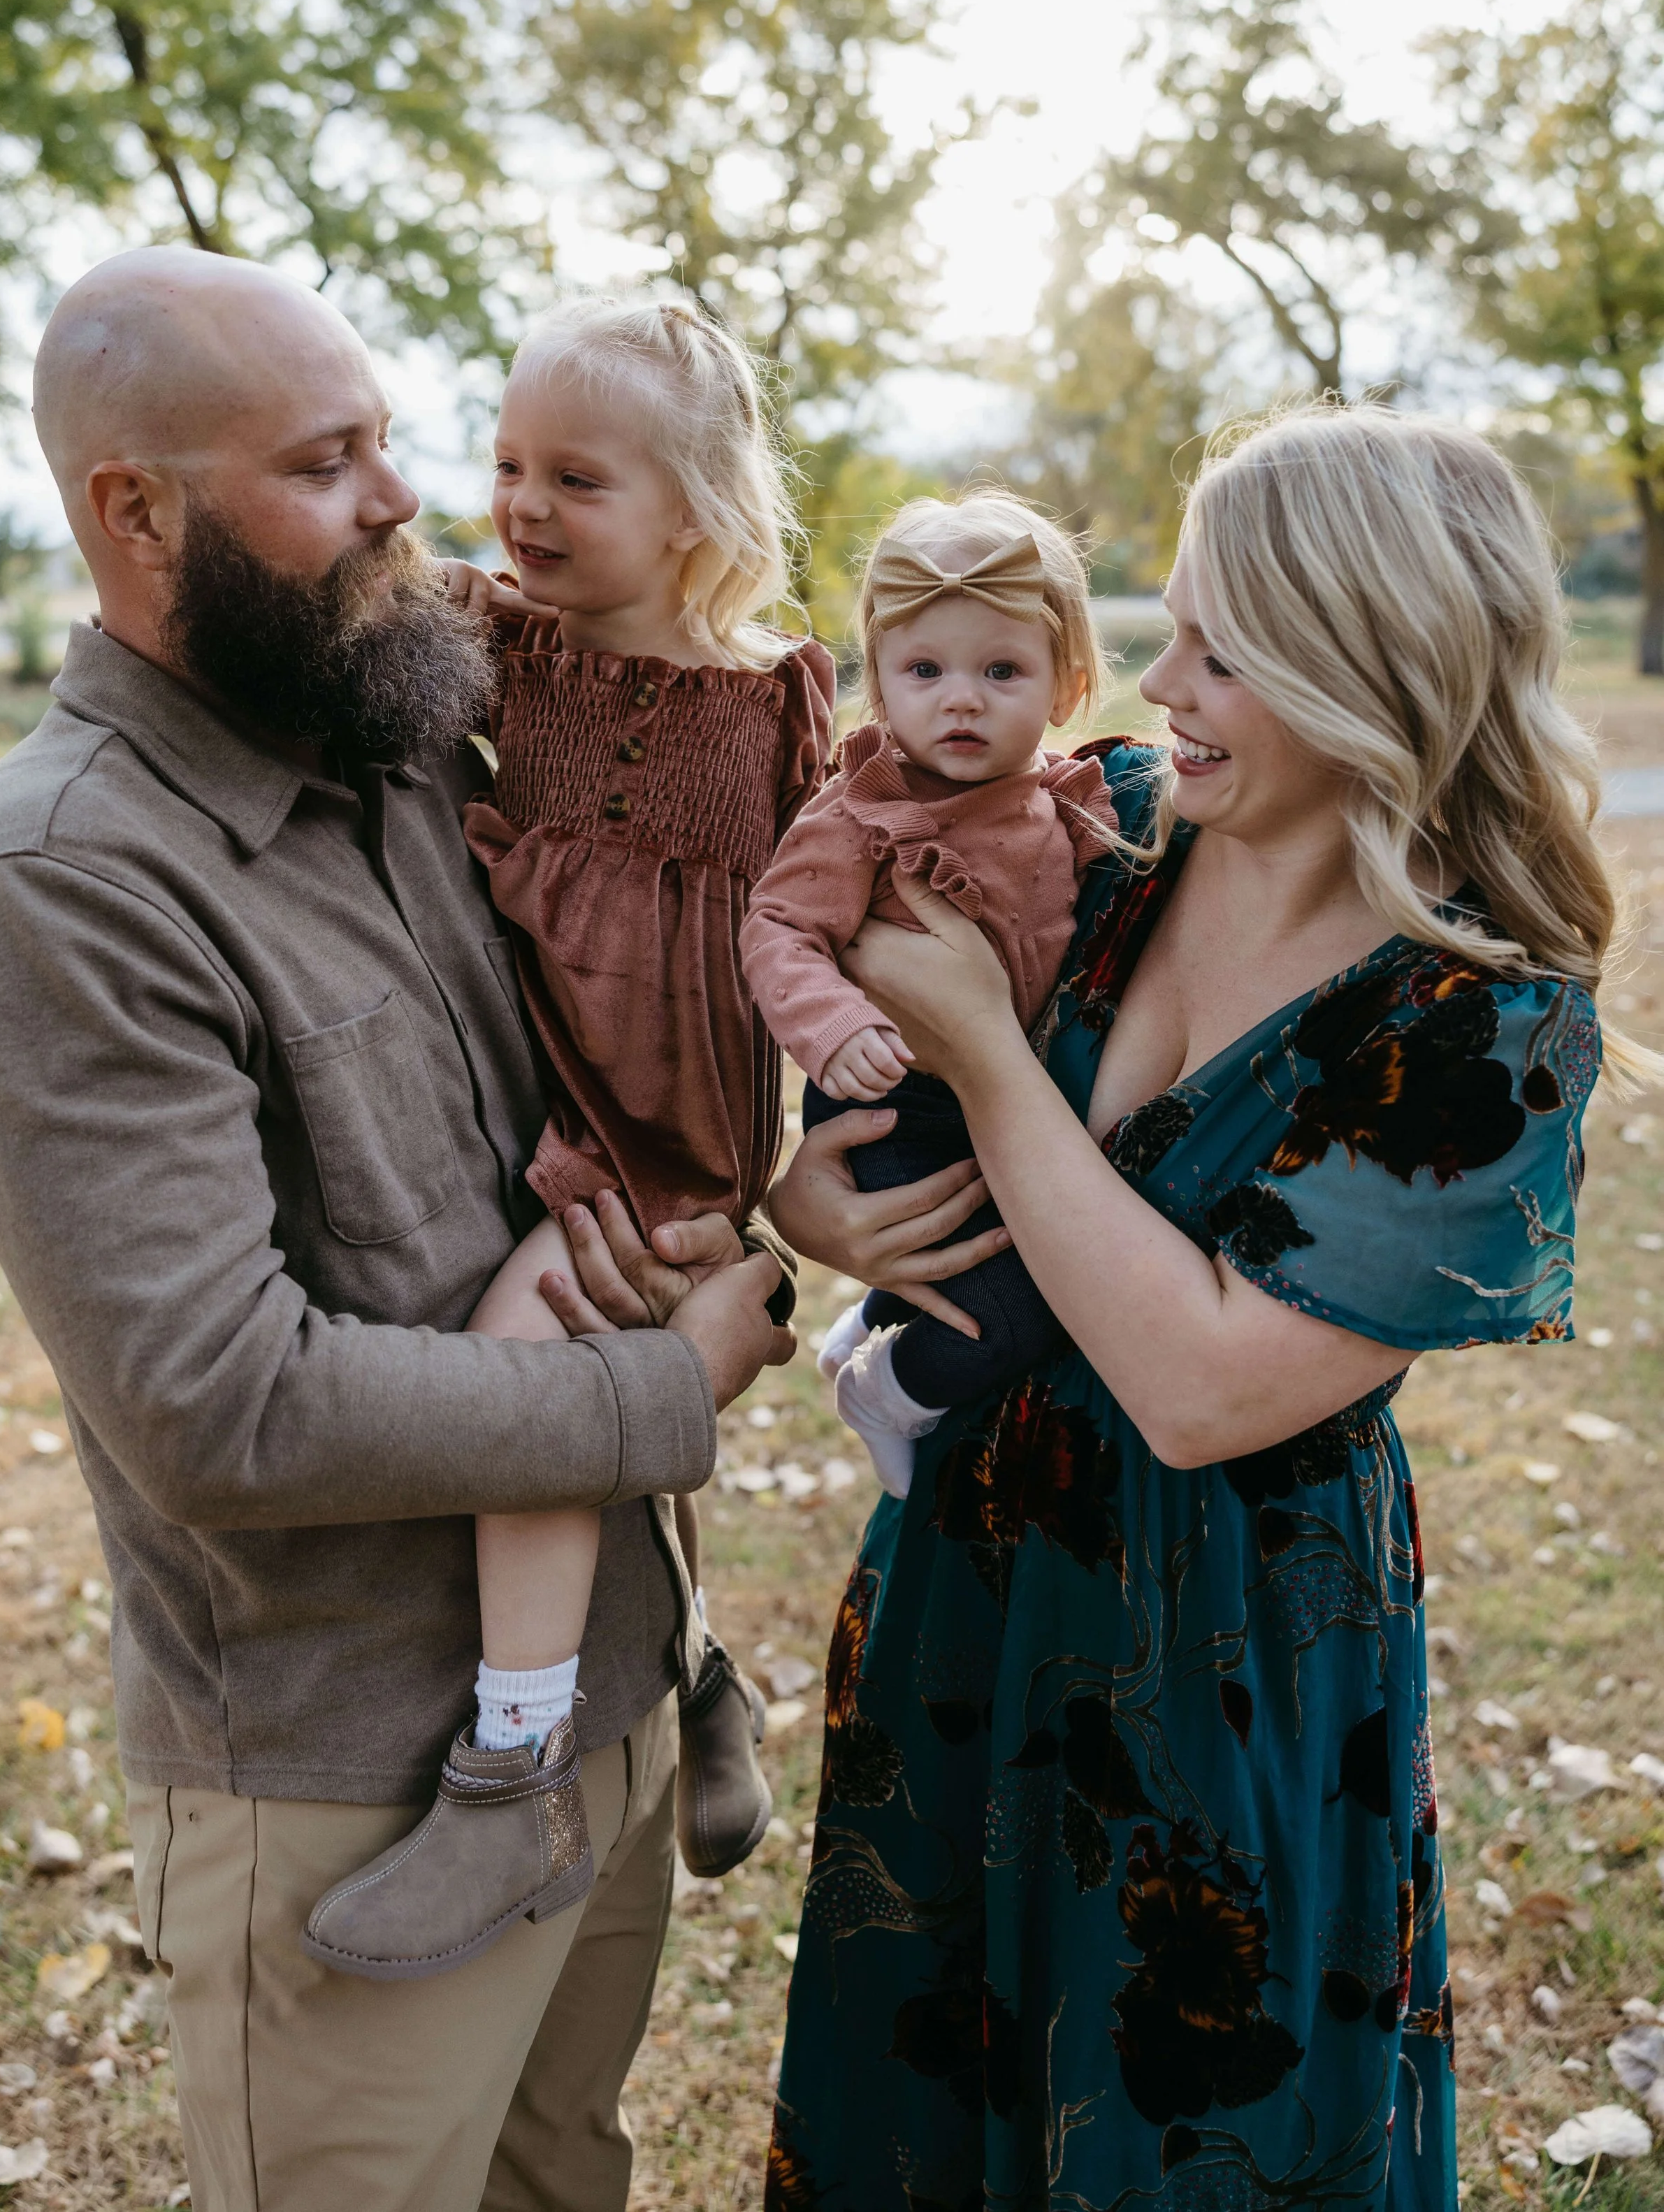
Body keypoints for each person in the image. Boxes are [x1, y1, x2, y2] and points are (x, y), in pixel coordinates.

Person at [0, 244, 804, 2212]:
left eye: (388, 440)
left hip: (615, 1700)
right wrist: (668, 1386)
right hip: (353, 1790)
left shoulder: (409, 741)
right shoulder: (57, 883)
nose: (405, 497)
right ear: (138, 512)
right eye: (325, 464)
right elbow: (223, 1408)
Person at [764, 407, 1634, 2211]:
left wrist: (986, 1057)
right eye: (1167, 629)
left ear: (1365, 665)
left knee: (1183, 2132)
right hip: (964, 1577)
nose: (1155, 683)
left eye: (1216, 650)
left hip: (1221, 1647)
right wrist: (819, 1201)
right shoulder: (1100, 829)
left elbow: (1203, 1385)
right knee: (921, 2101)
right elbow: (833, 1030)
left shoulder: (1481, 1012)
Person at [306, 296, 837, 1978]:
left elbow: (860, 884)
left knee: (527, 1357)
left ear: (694, 512)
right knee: (603, 1390)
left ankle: (514, 1762)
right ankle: (693, 1673)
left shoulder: (773, 706)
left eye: (578, 480)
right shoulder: (501, 648)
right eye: (509, 465)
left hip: (666, 1134)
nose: (524, 506)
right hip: (523, 1090)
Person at [740, 492, 1114, 1494]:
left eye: (1001, 671)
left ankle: (872, 1321)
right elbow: (778, 927)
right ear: (880, 682)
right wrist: (835, 1023)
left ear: (1069, 685)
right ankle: (887, 1388)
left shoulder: (1068, 801)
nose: (961, 701)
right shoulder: (866, 811)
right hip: (890, 1097)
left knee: (1030, 1245)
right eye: (925, 671)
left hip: (999, 1094)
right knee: (1020, 1304)